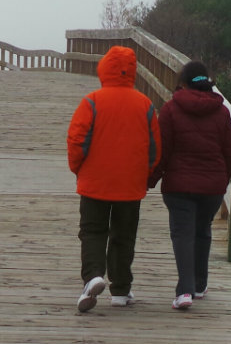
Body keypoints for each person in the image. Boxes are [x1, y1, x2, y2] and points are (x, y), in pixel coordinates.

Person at [67, 46, 161, 312]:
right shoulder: (146, 105)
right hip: (130, 185)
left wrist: (78, 169)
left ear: (104, 68)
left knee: (93, 231)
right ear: (132, 71)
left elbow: (77, 140)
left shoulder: (92, 101)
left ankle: (93, 277)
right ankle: (120, 290)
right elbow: (155, 148)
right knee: (124, 236)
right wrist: (146, 174)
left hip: (95, 182)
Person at [150, 60, 231, 311]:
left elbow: (161, 151)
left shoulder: (170, 109)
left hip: (178, 186)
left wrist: (151, 179)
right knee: (202, 230)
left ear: (182, 83)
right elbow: (228, 150)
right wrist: (224, 178)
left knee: (183, 234)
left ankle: (184, 292)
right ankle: (199, 285)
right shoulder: (222, 112)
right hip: (212, 186)